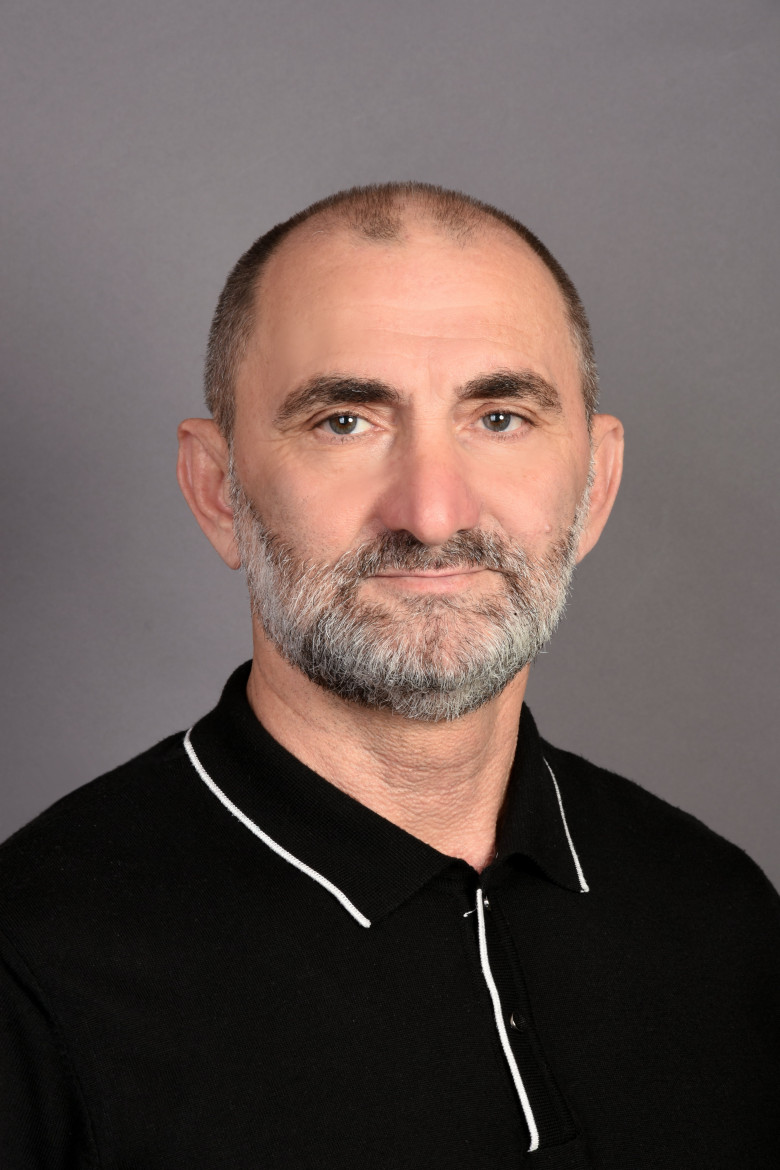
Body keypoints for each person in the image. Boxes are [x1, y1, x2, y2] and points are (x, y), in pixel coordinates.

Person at [1, 183, 778, 1169]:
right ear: (218, 491)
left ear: (596, 486)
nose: (433, 512)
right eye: (345, 422)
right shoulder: (33, 971)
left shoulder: (719, 913)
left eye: (500, 417)